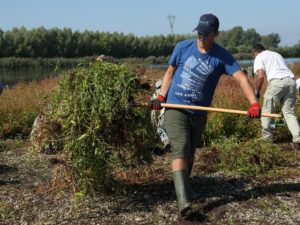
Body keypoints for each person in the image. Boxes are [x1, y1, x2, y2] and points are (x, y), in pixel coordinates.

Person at [149, 13, 260, 216]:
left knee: (190, 153)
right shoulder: (183, 47)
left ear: (215, 34)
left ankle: (184, 186)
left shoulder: (221, 56)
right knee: (180, 147)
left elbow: (242, 79)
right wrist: (161, 96)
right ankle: (185, 204)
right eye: (199, 32)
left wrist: (254, 103)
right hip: (175, 107)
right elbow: (169, 72)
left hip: (199, 113)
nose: (201, 36)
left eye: (206, 34)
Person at [252, 43, 300, 145]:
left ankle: (266, 140)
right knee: (289, 113)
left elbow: (260, 76)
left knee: (266, 112)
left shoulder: (259, 57)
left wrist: (256, 91)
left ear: (255, 53)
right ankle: (298, 138)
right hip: (291, 82)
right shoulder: (276, 54)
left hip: (277, 83)